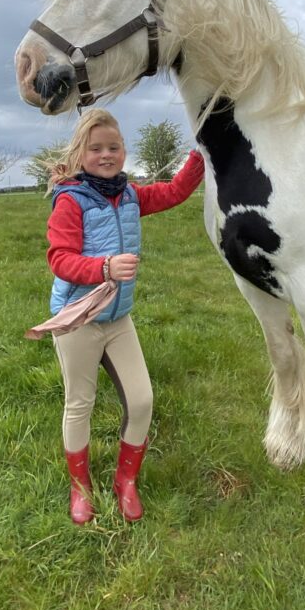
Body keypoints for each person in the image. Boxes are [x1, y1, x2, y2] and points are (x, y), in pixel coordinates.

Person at [44, 109, 204, 525]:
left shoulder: (130, 195)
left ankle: (124, 481)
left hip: (119, 321)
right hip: (77, 319)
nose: (106, 155)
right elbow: (59, 259)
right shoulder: (70, 200)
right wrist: (104, 269)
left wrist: (200, 154)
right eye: (96, 148)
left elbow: (173, 192)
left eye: (113, 147)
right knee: (80, 403)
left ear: (123, 151)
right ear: (81, 153)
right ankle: (80, 489)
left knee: (142, 400)